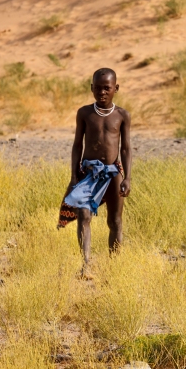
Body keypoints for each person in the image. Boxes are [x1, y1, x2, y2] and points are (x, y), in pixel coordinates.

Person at [57, 68, 132, 277]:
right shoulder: (84, 113)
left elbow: (125, 148)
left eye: (107, 88)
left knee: (115, 221)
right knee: (83, 215)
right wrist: (74, 176)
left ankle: (115, 266)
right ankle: (86, 264)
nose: (102, 93)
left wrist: (127, 177)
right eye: (98, 88)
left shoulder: (122, 115)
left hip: (113, 172)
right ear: (91, 88)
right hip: (88, 171)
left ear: (115, 88)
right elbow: (76, 145)